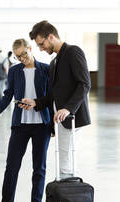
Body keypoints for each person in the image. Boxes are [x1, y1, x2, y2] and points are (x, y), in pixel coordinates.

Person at [0, 38, 51, 202]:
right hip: (20, 125)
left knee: (39, 168)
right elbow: (7, 96)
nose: (22, 59)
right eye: (18, 56)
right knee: (11, 167)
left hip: (41, 126)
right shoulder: (14, 71)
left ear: (30, 48)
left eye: (24, 54)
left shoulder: (45, 69)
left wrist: (52, 126)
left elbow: (51, 98)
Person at [20, 20, 91, 179]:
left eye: (41, 44)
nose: (40, 48)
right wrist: (36, 103)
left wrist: (68, 109)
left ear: (51, 36)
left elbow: (84, 84)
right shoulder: (54, 62)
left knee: (66, 160)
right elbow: (53, 94)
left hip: (71, 117)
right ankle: (66, 193)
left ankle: (69, 195)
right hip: (59, 118)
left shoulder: (73, 52)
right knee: (64, 159)